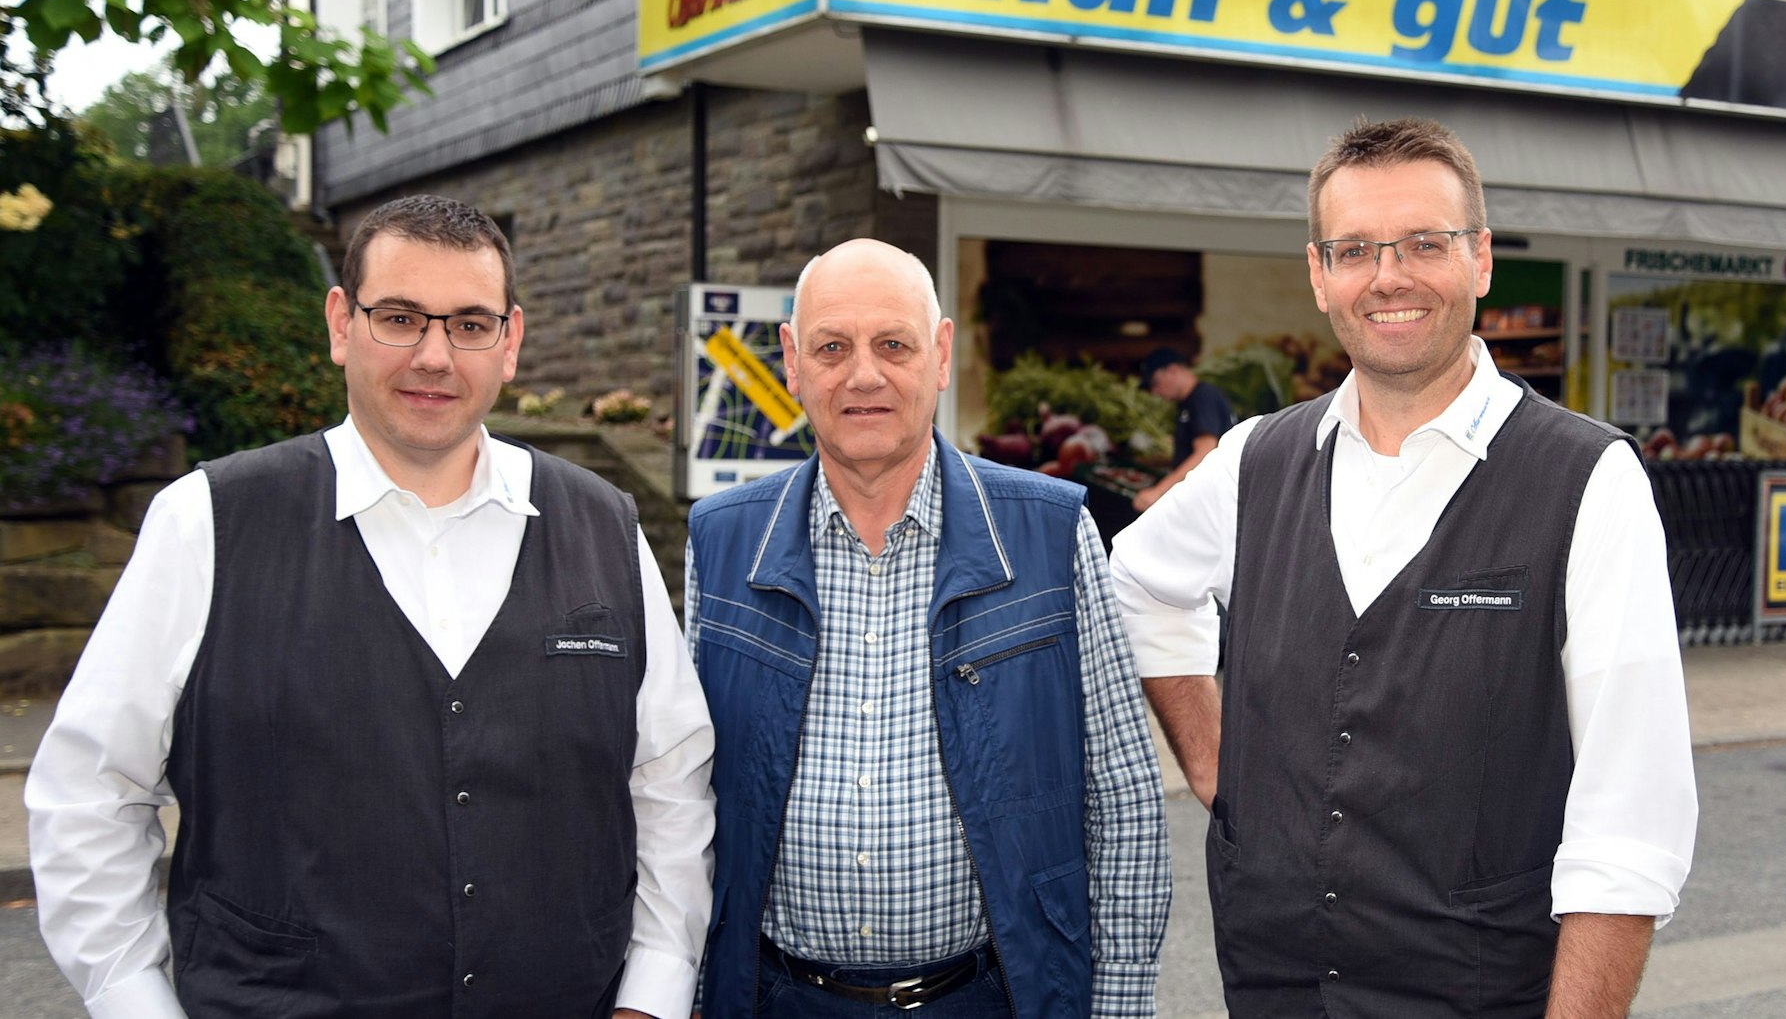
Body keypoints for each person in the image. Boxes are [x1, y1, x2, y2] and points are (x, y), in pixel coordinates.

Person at [26, 195, 716, 1019]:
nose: (434, 356)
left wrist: (653, 992)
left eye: (468, 323)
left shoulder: (603, 524)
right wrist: (135, 1001)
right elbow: (90, 794)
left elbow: (670, 783)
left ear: (510, 343)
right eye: (398, 317)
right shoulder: (206, 521)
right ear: (339, 324)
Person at [1110, 119, 1697, 1018]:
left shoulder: (1587, 479)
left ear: (1482, 259)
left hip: (1479, 991)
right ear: (1318, 274)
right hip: (1275, 987)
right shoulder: (1252, 460)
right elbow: (1141, 582)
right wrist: (1212, 760)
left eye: (1426, 243)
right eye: (1354, 250)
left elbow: (1631, 817)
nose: (1389, 276)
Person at [684, 238, 1170, 1019]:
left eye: (893, 345)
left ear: (940, 355)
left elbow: (1122, 796)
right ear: (792, 363)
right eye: (832, 347)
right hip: (779, 999)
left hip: (985, 996)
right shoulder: (720, 541)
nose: (863, 375)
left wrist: (1115, 1007)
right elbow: (682, 801)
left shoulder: (1048, 532)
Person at [1132, 347, 1236, 512]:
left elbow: (1205, 452)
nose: (1155, 393)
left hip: (1211, 502)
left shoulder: (1202, 397)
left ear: (1173, 371)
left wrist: (1158, 492)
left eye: (1155, 383)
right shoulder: (1188, 402)